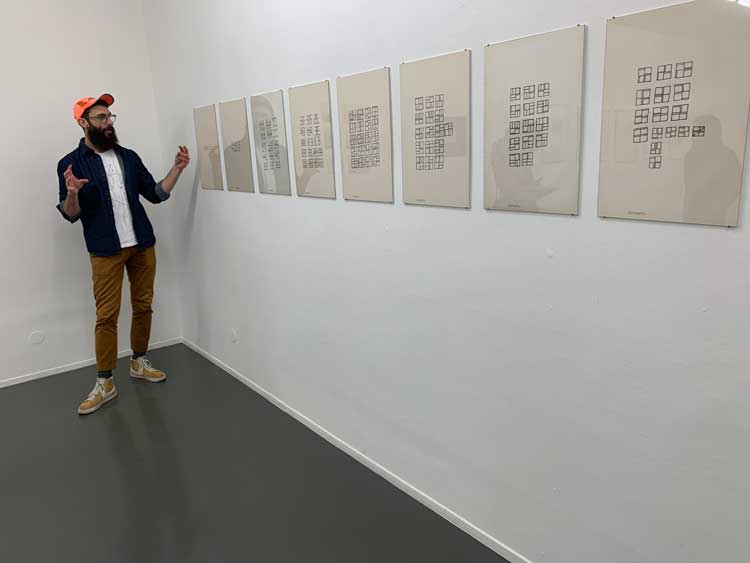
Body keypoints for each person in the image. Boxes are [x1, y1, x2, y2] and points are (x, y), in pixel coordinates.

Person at [57, 93, 190, 415]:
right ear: (82, 122)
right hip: (105, 250)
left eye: (110, 116)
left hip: (142, 244)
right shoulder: (70, 164)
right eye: (100, 117)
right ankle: (105, 382)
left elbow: (155, 194)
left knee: (143, 305)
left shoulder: (129, 157)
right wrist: (72, 193)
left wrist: (177, 169)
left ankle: (139, 362)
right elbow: (70, 213)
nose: (107, 122)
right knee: (106, 316)